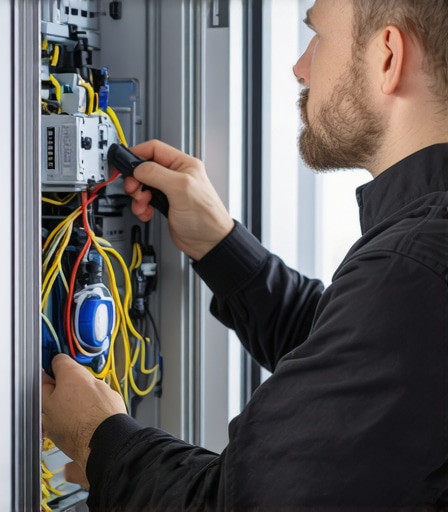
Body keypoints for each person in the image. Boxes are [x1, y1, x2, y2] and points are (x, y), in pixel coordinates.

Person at [42, 0, 448, 509]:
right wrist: (220, 243)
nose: (301, 67)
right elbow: (344, 364)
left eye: (318, 38)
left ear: (388, 57)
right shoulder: (419, 259)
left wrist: (97, 438)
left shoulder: (413, 269)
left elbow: (236, 504)